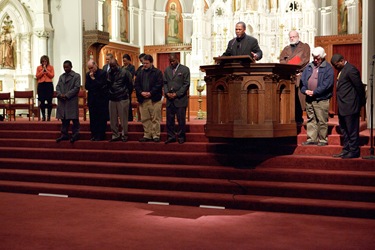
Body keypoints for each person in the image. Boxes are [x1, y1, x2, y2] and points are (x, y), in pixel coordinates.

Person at [331, 54, 366, 158]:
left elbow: (359, 87)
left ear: (342, 61)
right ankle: (346, 149)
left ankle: (354, 151)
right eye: (334, 66)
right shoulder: (342, 70)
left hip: (350, 105)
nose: (335, 67)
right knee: (344, 130)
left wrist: (361, 103)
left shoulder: (351, 69)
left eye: (336, 65)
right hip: (343, 106)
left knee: (352, 130)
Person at [300, 47, 334, 146]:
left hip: (321, 99)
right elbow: (303, 81)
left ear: (323, 57)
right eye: (314, 58)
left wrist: (315, 92)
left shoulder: (328, 68)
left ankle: (323, 139)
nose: (315, 60)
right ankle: (312, 139)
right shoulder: (309, 66)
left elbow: (327, 84)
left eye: (318, 58)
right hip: (309, 98)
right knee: (311, 119)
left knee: (322, 119)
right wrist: (305, 90)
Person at [279, 30, 311, 125]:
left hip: (299, 75)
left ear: (298, 36)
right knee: (289, 98)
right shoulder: (286, 49)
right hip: (289, 76)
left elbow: (305, 60)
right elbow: (281, 60)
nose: (292, 38)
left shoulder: (305, 47)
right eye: (290, 37)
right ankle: (289, 118)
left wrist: (292, 65)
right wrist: (290, 66)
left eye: (294, 36)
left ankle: (299, 118)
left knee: (298, 99)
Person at [134, 54, 163, 142]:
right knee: (145, 118)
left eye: (146, 63)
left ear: (151, 63)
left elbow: (159, 84)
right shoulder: (140, 72)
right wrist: (141, 92)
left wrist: (150, 93)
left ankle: (155, 135)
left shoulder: (157, 72)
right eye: (143, 63)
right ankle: (147, 134)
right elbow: (136, 85)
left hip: (154, 99)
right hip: (143, 99)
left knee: (155, 118)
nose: (144, 65)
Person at [164, 54, 190, 144]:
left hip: (180, 99)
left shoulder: (185, 69)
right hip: (169, 100)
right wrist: (167, 93)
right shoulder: (167, 70)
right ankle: (171, 136)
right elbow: (165, 83)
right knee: (169, 120)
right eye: (170, 61)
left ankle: (181, 137)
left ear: (177, 59)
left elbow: (186, 84)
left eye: (173, 61)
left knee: (181, 120)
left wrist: (177, 94)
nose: (171, 63)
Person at [107, 58, 133, 142]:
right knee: (113, 119)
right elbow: (108, 84)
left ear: (117, 64)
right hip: (112, 97)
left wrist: (126, 93)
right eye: (111, 66)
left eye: (114, 66)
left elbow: (130, 85)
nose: (112, 68)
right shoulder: (109, 73)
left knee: (123, 119)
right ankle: (115, 135)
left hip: (122, 97)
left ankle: (124, 135)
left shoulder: (125, 72)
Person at [55, 60, 81, 143]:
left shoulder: (76, 76)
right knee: (64, 119)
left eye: (67, 67)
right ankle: (64, 134)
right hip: (62, 101)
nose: (65, 69)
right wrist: (60, 94)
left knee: (74, 119)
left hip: (71, 101)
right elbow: (57, 87)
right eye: (64, 67)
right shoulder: (61, 77)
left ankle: (75, 135)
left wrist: (67, 95)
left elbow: (76, 88)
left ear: (71, 66)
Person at [85, 59, 109, 141]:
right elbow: (87, 86)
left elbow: (101, 85)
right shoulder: (88, 75)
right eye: (89, 68)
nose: (91, 70)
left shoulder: (103, 73)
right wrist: (92, 80)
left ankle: (101, 135)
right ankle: (94, 134)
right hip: (92, 100)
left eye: (92, 68)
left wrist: (93, 79)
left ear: (95, 65)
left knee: (101, 118)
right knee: (93, 118)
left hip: (101, 99)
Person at [35, 55, 55, 121]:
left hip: (48, 85)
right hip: (41, 85)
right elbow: (37, 76)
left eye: (45, 61)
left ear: (47, 61)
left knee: (49, 101)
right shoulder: (38, 67)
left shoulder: (51, 67)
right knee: (42, 101)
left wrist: (46, 70)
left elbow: (52, 75)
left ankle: (48, 116)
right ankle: (43, 116)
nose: (44, 63)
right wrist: (42, 71)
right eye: (43, 61)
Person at [122, 54, 136, 121]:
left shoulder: (132, 67)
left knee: (128, 103)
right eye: (123, 61)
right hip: (122, 88)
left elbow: (131, 76)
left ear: (129, 60)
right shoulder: (121, 67)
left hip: (128, 87)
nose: (124, 62)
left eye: (125, 61)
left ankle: (130, 118)